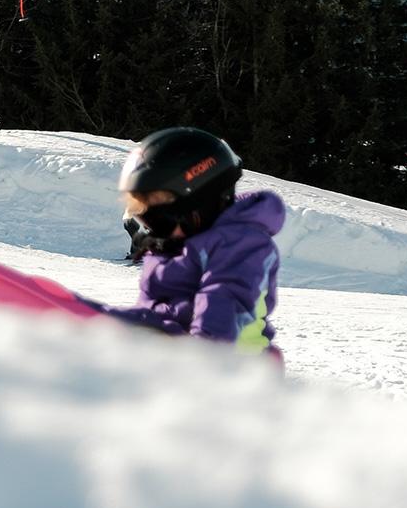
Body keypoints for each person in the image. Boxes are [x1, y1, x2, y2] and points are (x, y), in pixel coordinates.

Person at [106, 125, 282, 358]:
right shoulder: (174, 246)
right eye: (141, 213)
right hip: (177, 362)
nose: (150, 227)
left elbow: (221, 312)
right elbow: (154, 317)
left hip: (236, 374)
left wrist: (193, 365)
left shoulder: (239, 246)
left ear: (199, 203)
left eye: (157, 215)